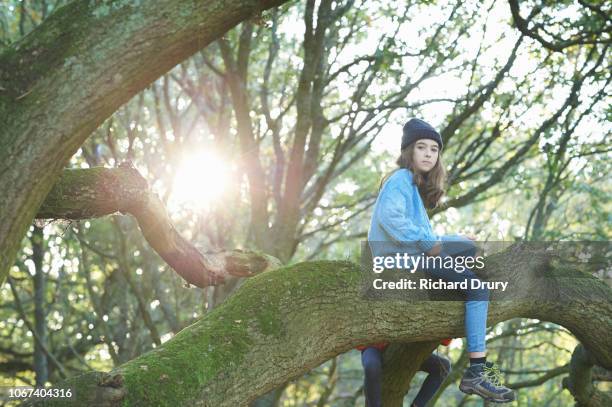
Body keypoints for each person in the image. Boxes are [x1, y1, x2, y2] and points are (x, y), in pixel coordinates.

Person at [363, 118, 515, 404]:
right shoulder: (399, 179)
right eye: (421, 147)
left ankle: (461, 311)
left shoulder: (412, 189)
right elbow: (391, 219)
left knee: (467, 250)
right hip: (401, 261)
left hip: (411, 256)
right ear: (409, 151)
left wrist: (455, 238)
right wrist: (430, 243)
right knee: (478, 288)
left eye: (434, 149)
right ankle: (477, 372)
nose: (428, 154)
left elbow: (424, 235)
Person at [355, 339, 452, 407]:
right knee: (371, 366)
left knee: (443, 367)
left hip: (404, 348)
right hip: (373, 347)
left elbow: (445, 341)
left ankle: (417, 405)